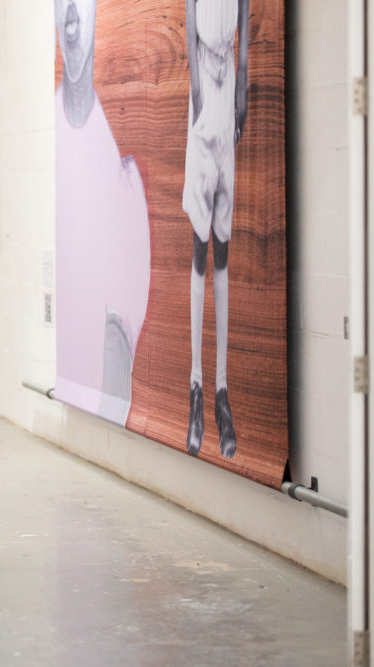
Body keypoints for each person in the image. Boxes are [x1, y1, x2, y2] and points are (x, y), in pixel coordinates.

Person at [54, 0, 151, 425]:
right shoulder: (57, 130)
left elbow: (121, 336)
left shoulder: (126, 154)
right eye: (61, 4)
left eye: (81, 3)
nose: (71, 15)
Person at [183, 0, 249, 459]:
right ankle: (196, 386)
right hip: (205, 87)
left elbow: (242, 24)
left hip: (227, 92)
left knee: (222, 241)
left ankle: (221, 389)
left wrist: (240, 86)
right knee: (200, 241)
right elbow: (190, 25)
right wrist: (199, 92)